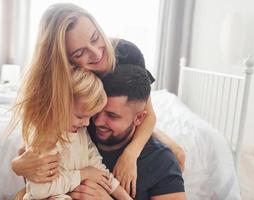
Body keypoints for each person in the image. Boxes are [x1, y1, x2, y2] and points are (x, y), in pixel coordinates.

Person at [11, 2, 185, 198]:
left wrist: (130, 154)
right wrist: (17, 165)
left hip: (123, 124)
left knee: (176, 153)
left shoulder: (128, 54)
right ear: (66, 62)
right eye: (79, 53)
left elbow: (145, 114)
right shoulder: (65, 79)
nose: (96, 53)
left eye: (95, 38)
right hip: (82, 133)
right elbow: (37, 133)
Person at [70, 64, 186, 200]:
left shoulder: (160, 161)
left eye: (112, 115)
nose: (97, 122)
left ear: (139, 118)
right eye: (96, 110)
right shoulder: (76, 130)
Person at [13, 68, 132, 200]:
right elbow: (40, 191)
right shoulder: (44, 138)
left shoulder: (80, 131)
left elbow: (97, 168)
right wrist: (83, 175)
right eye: (80, 116)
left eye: (90, 117)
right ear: (60, 105)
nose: (87, 123)